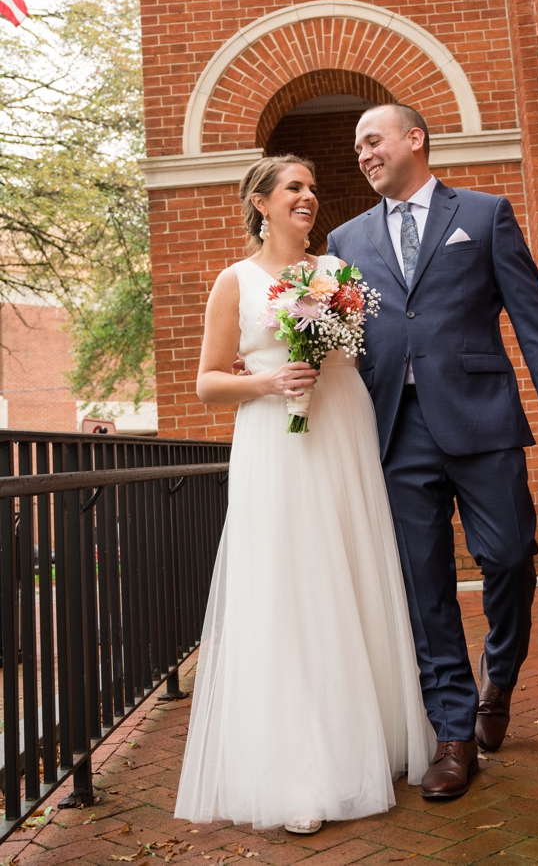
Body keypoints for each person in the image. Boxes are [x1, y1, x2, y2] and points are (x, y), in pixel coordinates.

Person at [327, 103, 538, 800]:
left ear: (414, 139)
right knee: (423, 580)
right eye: (356, 147)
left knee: (508, 553)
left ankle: (500, 675)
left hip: (483, 417)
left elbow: (531, 312)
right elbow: (340, 341)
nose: (363, 154)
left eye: (372, 140)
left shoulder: (485, 212)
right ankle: (453, 731)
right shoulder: (344, 241)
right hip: (393, 428)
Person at [176, 155, 435, 835]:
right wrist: (268, 381)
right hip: (277, 446)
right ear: (260, 202)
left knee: (347, 574)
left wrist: (324, 352)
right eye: (294, 187)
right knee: (288, 589)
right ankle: (298, 768)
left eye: (313, 188)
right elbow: (206, 382)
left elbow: (354, 359)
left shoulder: (336, 274)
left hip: (342, 437)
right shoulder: (235, 281)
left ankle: (367, 741)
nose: (309, 197)